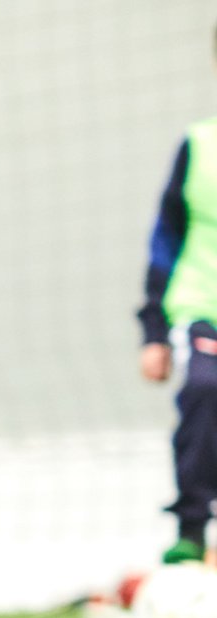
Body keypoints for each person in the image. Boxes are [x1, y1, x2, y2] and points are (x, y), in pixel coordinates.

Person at [138, 26, 217, 567]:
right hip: (200, 308)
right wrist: (152, 332)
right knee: (206, 389)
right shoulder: (198, 145)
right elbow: (165, 240)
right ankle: (192, 524)